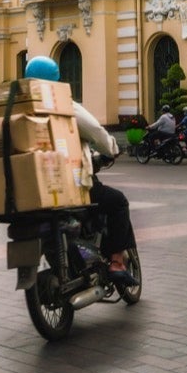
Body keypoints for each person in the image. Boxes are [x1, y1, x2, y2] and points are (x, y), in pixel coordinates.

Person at [26, 57, 134, 286]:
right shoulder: (60, 102)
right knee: (118, 201)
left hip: (28, 190)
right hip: (66, 184)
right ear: (56, 79)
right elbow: (95, 131)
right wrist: (112, 148)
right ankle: (115, 261)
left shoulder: (21, 107)